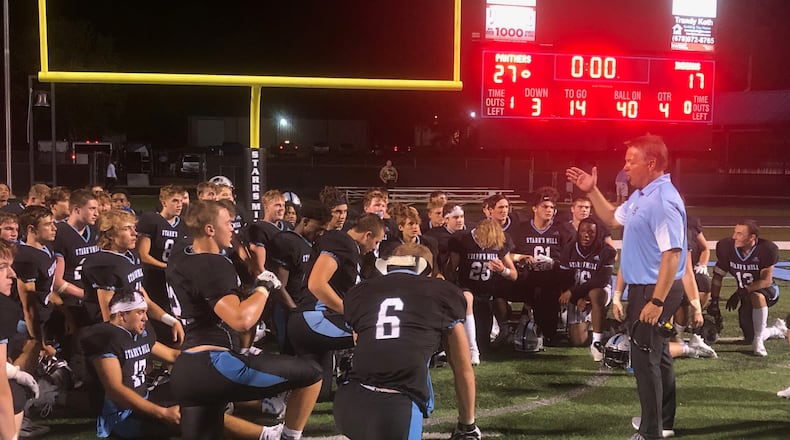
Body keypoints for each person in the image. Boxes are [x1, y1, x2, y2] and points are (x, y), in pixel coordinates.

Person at [166, 200, 322, 440]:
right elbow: (241, 319)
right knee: (311, 373)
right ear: (209, 229)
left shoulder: (181, 255)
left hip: (187, 369)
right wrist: (264, 286)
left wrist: (254, 274)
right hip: (213, 364)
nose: (233, 229)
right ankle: (288, 437)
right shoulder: (213, 262)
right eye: (228, 223)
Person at [566, 134, 687, 440]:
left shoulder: (662, 200)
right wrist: (592, 190)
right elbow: (612, 217)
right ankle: (662, 422)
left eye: (631, 161)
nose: (625, 167)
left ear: (652, 163)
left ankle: (650, 432)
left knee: (644, 360)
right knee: (657, 355)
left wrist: (656, 301)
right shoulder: (644, 195)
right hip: (648, 288)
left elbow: (672, 253)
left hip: (653, 290)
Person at [334, 243, 480, 440]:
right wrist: (467, 425)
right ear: (427, 268)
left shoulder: (361, 292)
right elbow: (463, 368)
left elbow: (361, 344)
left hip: (348, 403)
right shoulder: (442, 292)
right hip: (396, 409)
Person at [707, 220, 785, 356]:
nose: (734, 237)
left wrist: (741, 292)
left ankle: (759, 341)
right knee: (749, 336)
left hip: (768, 292)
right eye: (734, 232)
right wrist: (714, 301)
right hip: (745, 296)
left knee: (757, 296)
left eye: (739, 234)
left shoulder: (766, 249)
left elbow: (766, 281)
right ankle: (776, 330)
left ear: (752, 237)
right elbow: (718, 276)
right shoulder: (727, 248)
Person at [510, 187, 574, 345]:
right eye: (544, 206)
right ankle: (508, 323)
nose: (549, 210)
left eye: (552, 207)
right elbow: (506, 255)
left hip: (553, 280)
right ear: (534, 208)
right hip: (525, 278)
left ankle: (551, 320)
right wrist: (520, 258)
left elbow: (572, 260)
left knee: (549, 328)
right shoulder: (521, 230)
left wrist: (554, 263)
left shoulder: (562, 230)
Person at [448, 219, 517, 360]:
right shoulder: (462, 239)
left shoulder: (500, 242)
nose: (489, 244)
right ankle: (472, 350)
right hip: (466, 288)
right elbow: (451, 269)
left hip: (485, 294)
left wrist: (502, 270)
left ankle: (480, 343)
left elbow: (514, 275)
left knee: (484, 344)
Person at [558, 217, 616, 359]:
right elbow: (563, 278)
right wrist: (577, 299)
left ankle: (597, 342)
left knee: (595, 294)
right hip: (576, 296)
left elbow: (601, 280)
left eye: (591, 232)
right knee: (578, 341)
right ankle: (609, 328)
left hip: (599, 292)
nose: (586, 235)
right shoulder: (570, 248)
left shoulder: (607, 251)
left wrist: (575, 294)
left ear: (598, 234)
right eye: (583, 231)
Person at [136, 185, 189, 344]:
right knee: (153, 317)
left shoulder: (184, 225)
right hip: (153, 278)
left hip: (174, 281)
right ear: (163, 201)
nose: (179, 204)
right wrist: (167, 267)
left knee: (175, 317)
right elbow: (143, 255)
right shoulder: (151, 220)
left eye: (181, 201)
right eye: (174, 201)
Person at [12, 206, 59, 373]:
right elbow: (28, 305)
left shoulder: (46, 247)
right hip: (26, 324)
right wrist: (38, 341)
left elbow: (46, 287)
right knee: (21, 372)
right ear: (32, 229)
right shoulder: (26, 258)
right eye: (48, 224)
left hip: (40, 319)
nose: (54, 228)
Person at [1, 239, 39, 440]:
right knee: (14, 393)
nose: (12, 274)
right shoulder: (4, 309)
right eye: (2, 267)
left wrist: (13, 372)